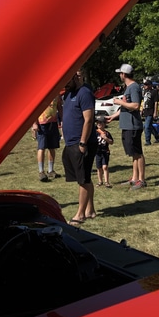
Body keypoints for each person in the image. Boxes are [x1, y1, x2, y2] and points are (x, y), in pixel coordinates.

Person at [61, 70, 98, 225]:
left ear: (74, 77)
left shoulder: (85, 93)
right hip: (70, 143)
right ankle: (90, 210)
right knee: (83, 177)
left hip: (82, 143)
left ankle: (80, 214)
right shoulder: (67, 94)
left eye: (66, 81)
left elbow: (88, 120)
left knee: (83, 179)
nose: (64, 84)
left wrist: (83, 142)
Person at [107, 63, 146, 190]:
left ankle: (141, 180)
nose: (119, 75)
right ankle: (135, 178)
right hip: (127, 125)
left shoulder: (134, 87)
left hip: (133, 125)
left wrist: (119, 101)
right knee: (133, 153)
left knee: (138, 153)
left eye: (120, 73)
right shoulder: (128, 87)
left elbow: (135, 105)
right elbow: (126, 106)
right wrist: (113, 116)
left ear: (124, 74)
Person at [31, 95, 63, 182]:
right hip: (42, 124)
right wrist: (34, 123)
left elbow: (59, 107)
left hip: (53, 123)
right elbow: (34, 109)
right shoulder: (41, 93)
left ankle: (50, 170)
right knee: (42, 148)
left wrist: (62, 119)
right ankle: (41, 171)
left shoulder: (57, 94)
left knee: (52, 147)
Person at [141, 80, 159, 146]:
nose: (145, 86)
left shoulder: (154, 91)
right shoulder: (145, 92)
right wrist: (142, 109)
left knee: (146, 126)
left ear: (150, 85)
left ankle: (148, 141)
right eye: (145, 85)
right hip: (146, 110)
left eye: (147, 85)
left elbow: (156, 102)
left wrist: (155, 112)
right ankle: (158, 138)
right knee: (149, 126)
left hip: (151, 110)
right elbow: (144, 101)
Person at [95, 117, 114, 188]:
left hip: (105, 152)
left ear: (104, 124)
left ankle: (107, 181)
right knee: (99, 167)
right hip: (98, 152)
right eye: (98, 123)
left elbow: (111, 142)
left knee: (105, 166)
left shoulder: (107, 133)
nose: (99, 124)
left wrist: (105, 138)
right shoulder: (95, 133)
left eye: (101, 123)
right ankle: (100, 181)